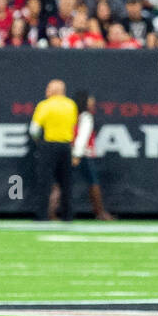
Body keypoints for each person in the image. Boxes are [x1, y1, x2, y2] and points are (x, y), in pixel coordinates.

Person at [29, 79, 77, 222]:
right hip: (66, 147)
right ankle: (67, 215)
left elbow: (34, 129)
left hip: (49, 146)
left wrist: (38, 141)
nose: (46, 91)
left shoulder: (45, 105)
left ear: (55, 90)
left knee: (45, 182)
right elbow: (74, 127)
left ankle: (42, 215)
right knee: (66, 183)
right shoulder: (71, 105)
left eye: (49, 88)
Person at [71, 91, 114, 221]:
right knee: (93, 182)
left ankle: (50, 212)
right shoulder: (85, 117)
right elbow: (82, 137)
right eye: (90, 101)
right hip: (82, 154)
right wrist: (77, 155)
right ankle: (100, 213)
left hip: (70, 152)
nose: (93, 103)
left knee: (61, 183)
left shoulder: (71, 114)